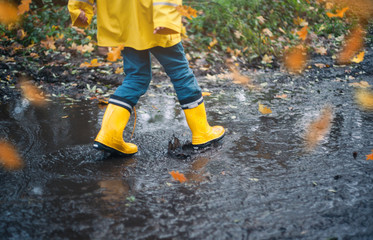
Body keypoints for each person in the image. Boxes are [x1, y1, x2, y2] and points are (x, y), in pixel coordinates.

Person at [68, 0, 225, 156]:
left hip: (124, 21)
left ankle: (109, 135)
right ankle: (202, 132)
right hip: (152, 19)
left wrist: (79, 7)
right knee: (180, 73)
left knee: (136, 77)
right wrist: (165, 17)